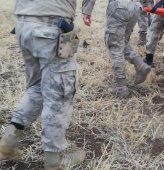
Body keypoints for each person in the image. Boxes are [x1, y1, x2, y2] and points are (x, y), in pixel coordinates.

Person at [0, 0, 94, 169]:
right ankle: (54, 160)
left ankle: (8, 143)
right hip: (52, 26)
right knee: (58, 95)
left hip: (24, 23)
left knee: (36, 87)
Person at [105, 0, 151, 97]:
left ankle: (121, 86)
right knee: (122, 41)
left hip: (119, 6)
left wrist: (86, 11)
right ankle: (140, 64)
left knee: (114, 45)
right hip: (136, 6)